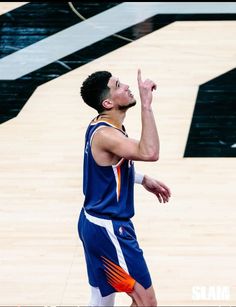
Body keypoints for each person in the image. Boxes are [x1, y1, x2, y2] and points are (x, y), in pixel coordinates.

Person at [78, 69, 171, 306]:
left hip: (93, 221)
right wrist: (146, 106)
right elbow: (149, 152)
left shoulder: (102, 124)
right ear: (108, 102)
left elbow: (106, 170)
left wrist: (141, 179)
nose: (127, 86)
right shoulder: (107, 134)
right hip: (108, 228)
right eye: (118, 85)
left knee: (102, 298)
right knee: (146, 302)